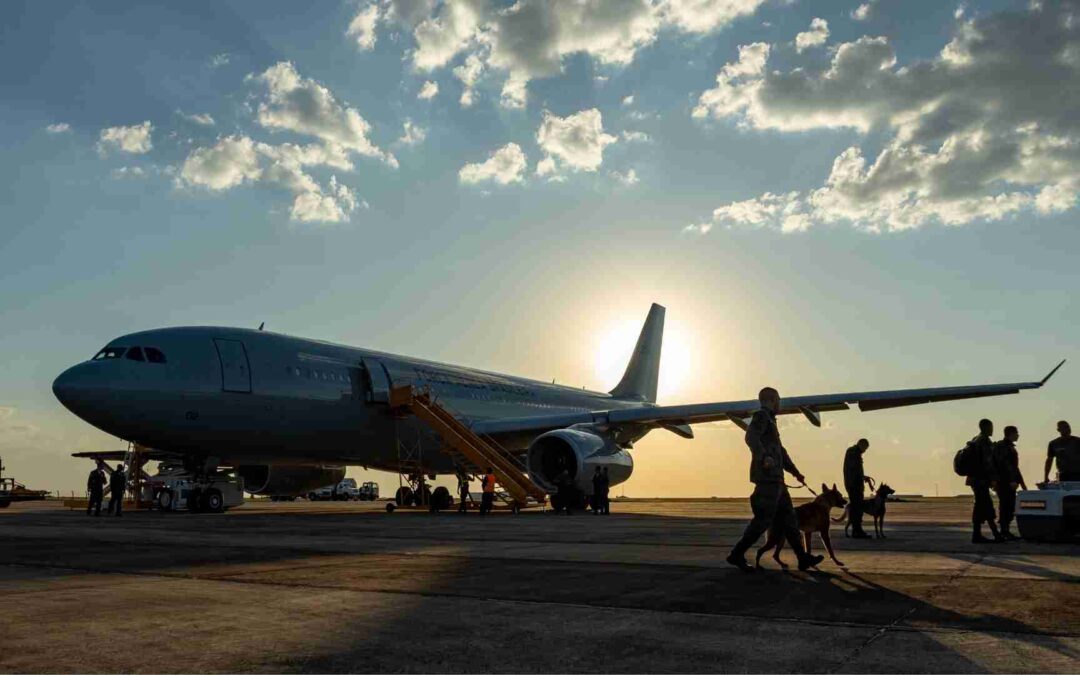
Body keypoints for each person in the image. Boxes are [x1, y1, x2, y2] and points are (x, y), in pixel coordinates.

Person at [726, 387, 825, 572]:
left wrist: (795, 471)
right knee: (762, 521)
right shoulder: (761, 416)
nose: (780, 404)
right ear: (772, 400)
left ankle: (802, 559)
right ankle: (736, 554)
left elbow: (781, 451)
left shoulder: (771, 421)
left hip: (778, 483)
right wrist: (764, 457)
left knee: (791, 522)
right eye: (778, 400)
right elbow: (750, 437)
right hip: (768, 482)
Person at [967, 419, 1003, 543]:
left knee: (981, 505)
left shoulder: (975, 439)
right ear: (986, 427)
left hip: (974, 479)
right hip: (981, 479)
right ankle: (992, 535)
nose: (992, 429)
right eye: (991, 427)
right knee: (985, 505)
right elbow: (988, 463)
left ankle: (978, 534)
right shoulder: (984, 441)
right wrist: (993, 479)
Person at [993, 425, 1026, 540]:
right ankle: (1004, 530)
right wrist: (1011, 481)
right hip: (1005, 483)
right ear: (1011, 433)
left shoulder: (1008, 447)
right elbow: (1005, 466)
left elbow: (1015, 467)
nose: (1018, 435)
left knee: (1009, 506)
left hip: (1008, 482)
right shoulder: (1004, 447)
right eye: (1016, 433)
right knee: (1006, 506)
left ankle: (1005, 530)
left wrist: (1022, 483)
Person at [843, 438, 874, 539]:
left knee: (857, 507)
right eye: (865, 448)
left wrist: (863, 477)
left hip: (854, 484)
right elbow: (854, 470)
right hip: (854, 485)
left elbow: (855, 470)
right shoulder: (853, 452)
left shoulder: (854, 452)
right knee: (857, 508)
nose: (865, 450)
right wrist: (862, 477)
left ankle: (857, 530)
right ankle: (857, 531)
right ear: (861, 444)